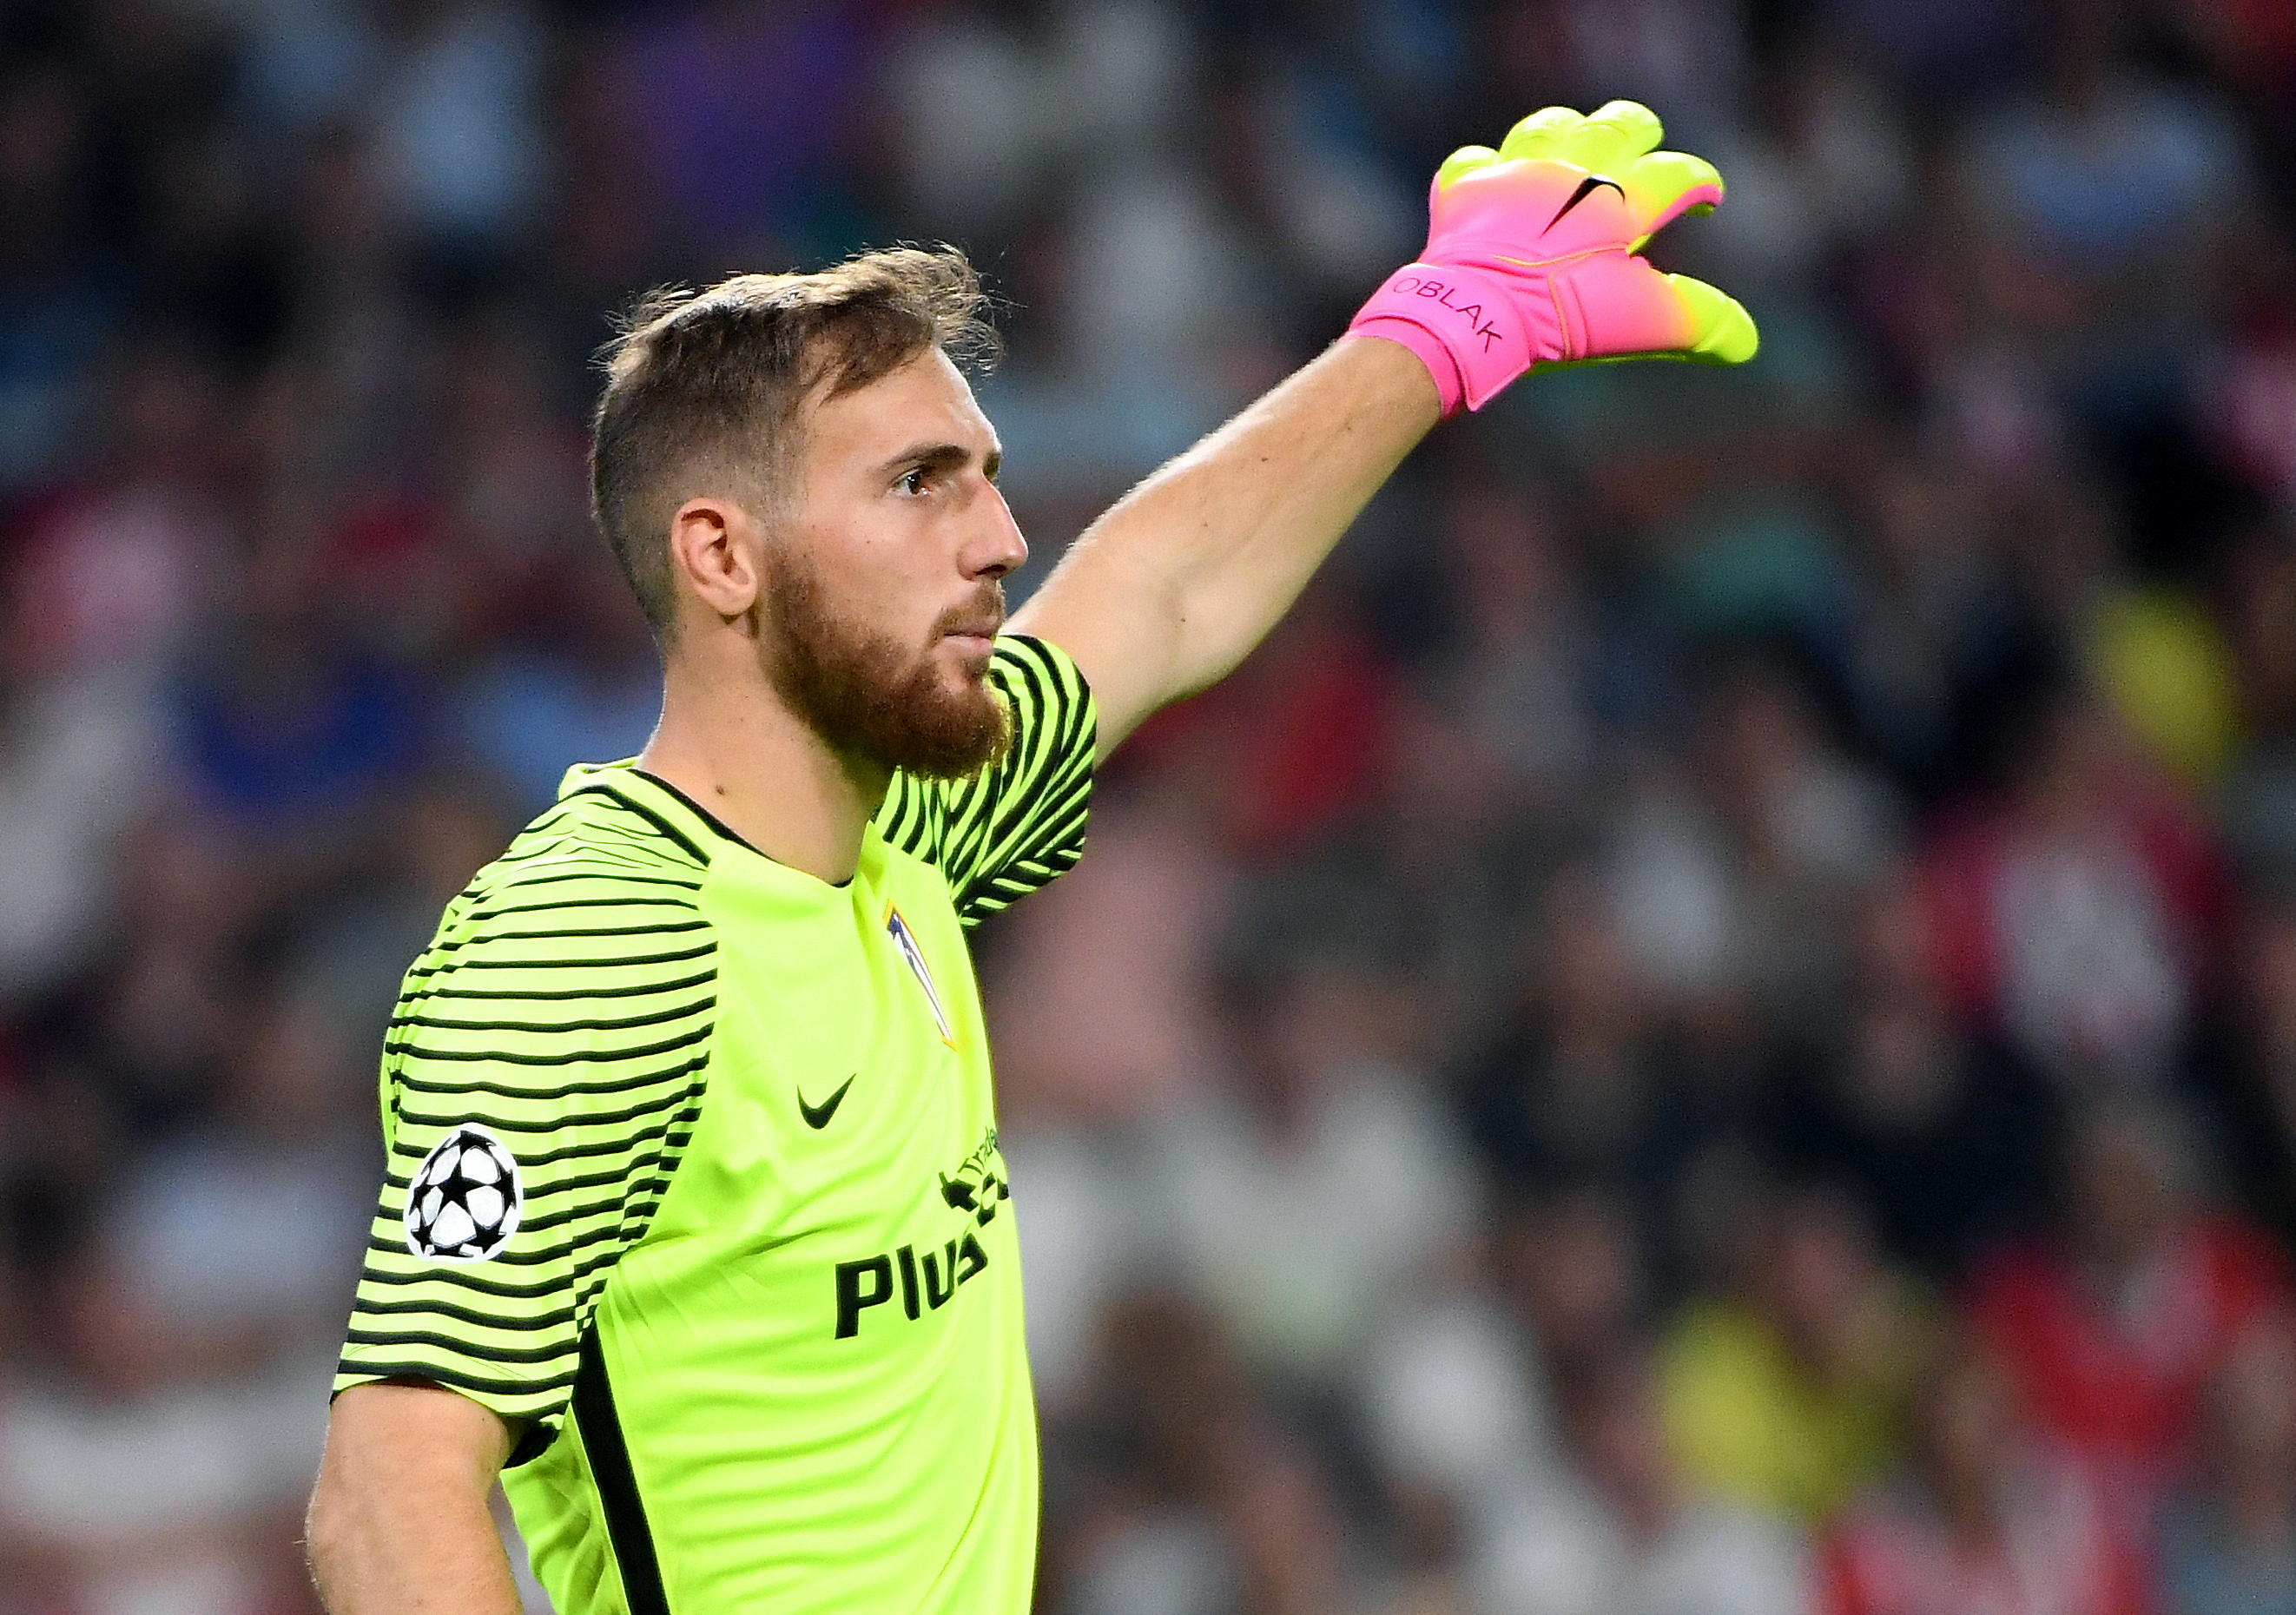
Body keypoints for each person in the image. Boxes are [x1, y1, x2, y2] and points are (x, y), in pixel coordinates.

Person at [301, 101, 1757, 1615]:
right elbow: (390, 1497)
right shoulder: (597, 943)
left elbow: (1164, 591)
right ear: (723, 557)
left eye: (985, 475)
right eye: (918, 483)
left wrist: (1441, 327)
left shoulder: (902, 834)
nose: (999, 536)